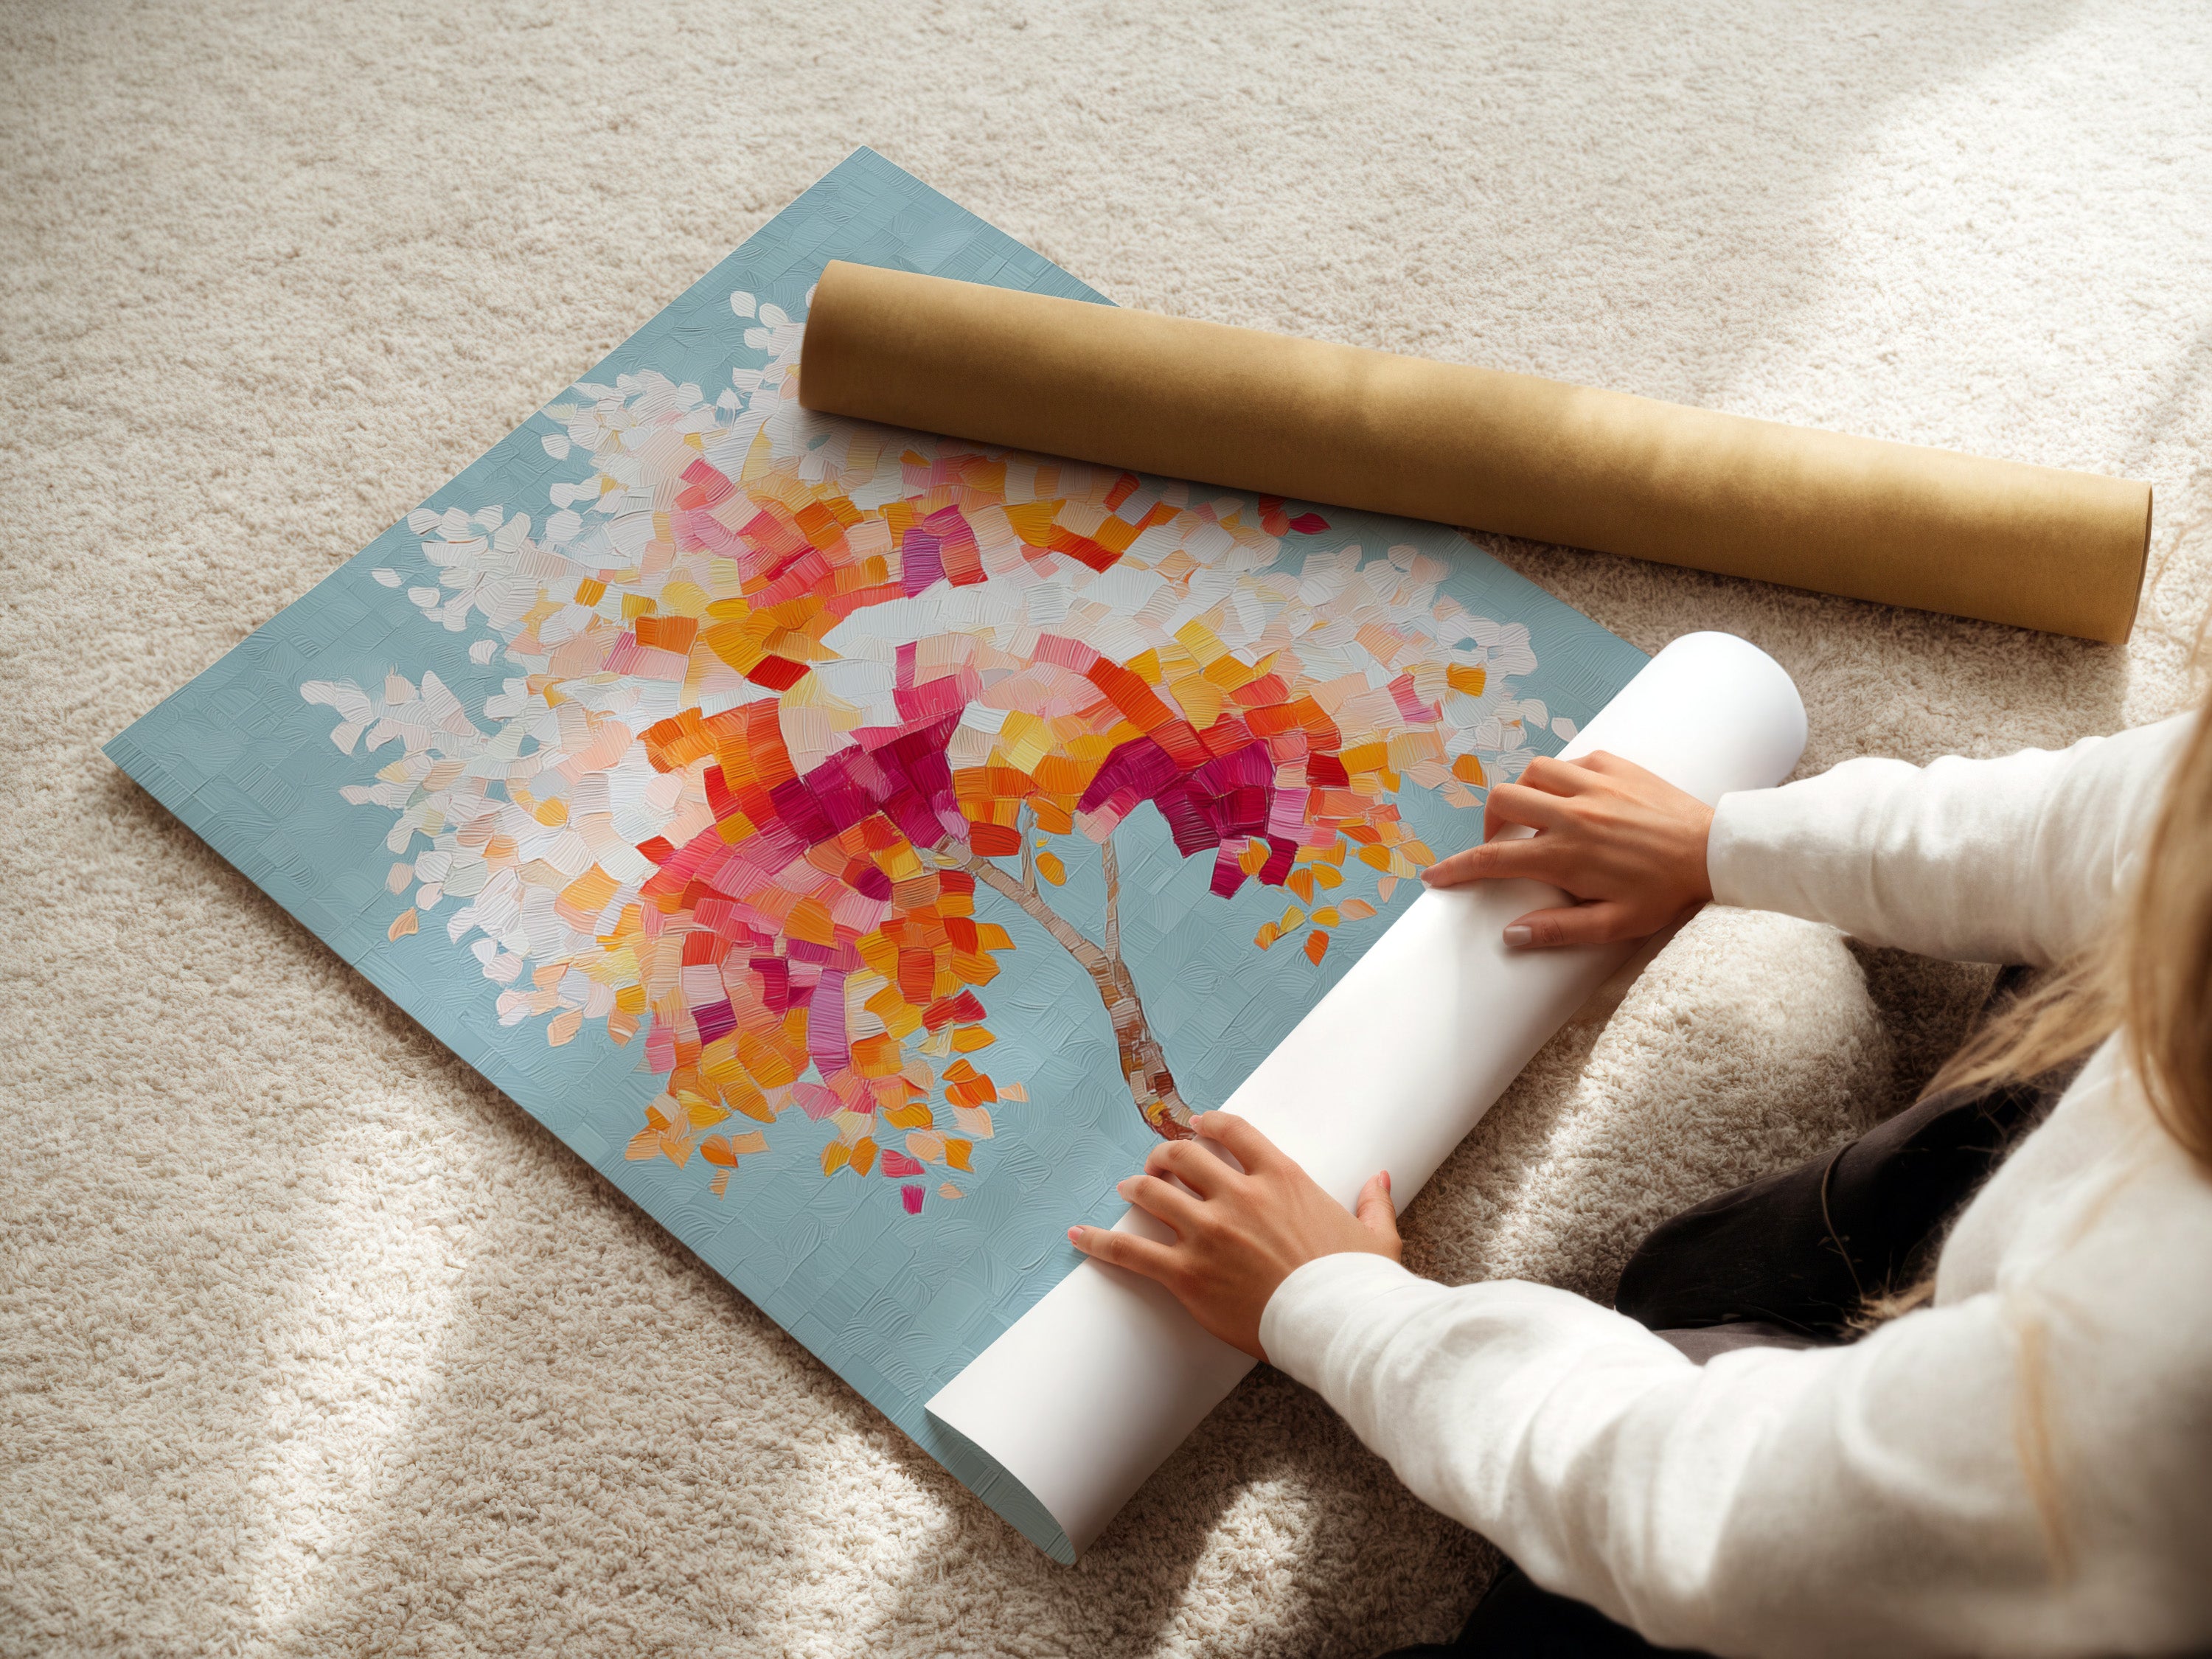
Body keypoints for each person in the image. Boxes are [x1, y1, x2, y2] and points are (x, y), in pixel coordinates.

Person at [1068, 697, 2212, 1657]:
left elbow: (1714, 1513)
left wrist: (1337, 1305)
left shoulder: (2155, 1377)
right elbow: (2115, 818)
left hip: (2050, 1552)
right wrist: (1721, 841)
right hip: (2057, 1318)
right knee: (1697, 1277)